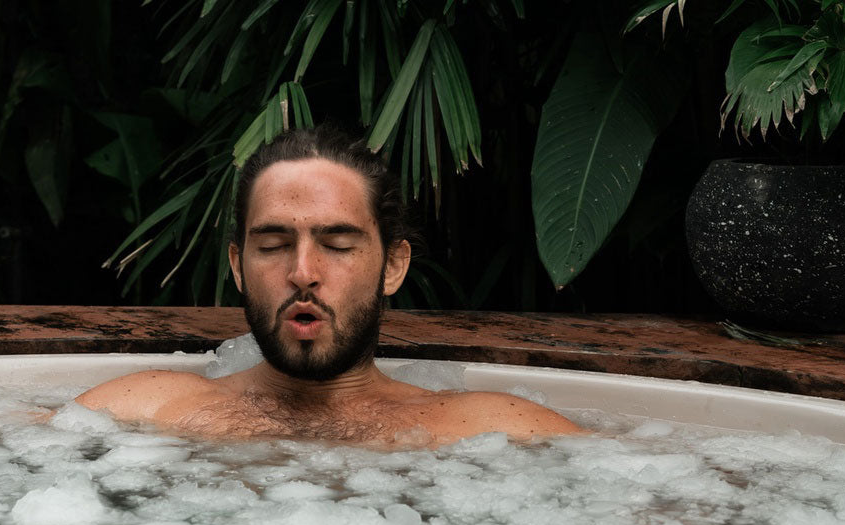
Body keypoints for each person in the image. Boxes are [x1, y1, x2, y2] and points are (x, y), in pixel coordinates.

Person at [76, 126, 579, 445]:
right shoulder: (142, 408)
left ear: (392, 266)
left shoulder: (491, 429)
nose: (302, 272)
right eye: (272, 245)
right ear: (237, 265)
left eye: (338, 244)